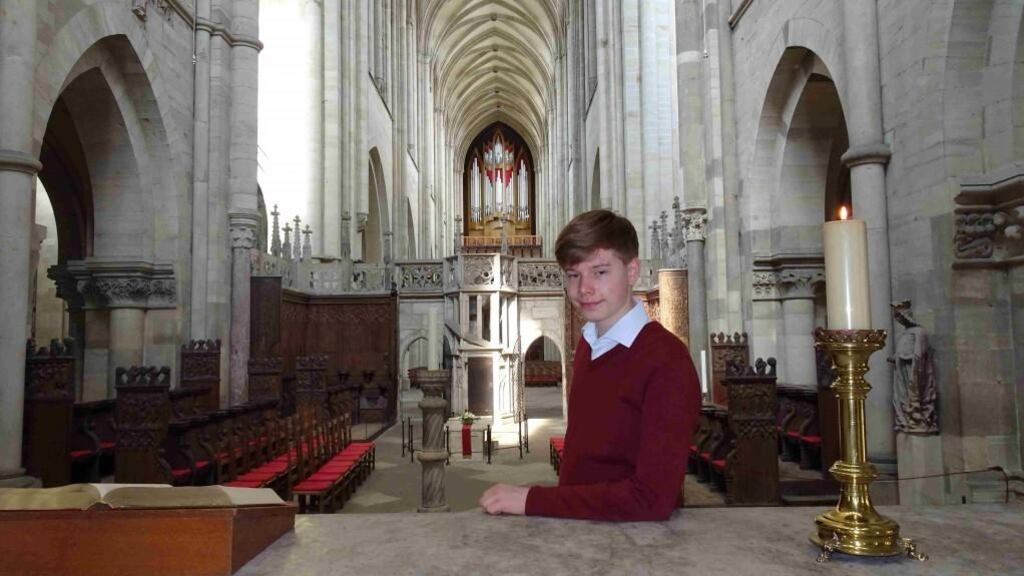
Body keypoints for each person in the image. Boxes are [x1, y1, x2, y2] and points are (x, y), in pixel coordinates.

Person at [479, 209, 702, 521]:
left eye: (599, 272)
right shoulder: (589, 343)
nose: (583, 289)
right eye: (573, 274)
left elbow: (652, 498)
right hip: (583, 531)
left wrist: (533, 499)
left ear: (632, 270)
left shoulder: (667, 361)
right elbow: (586, 465)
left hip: (637, 545)